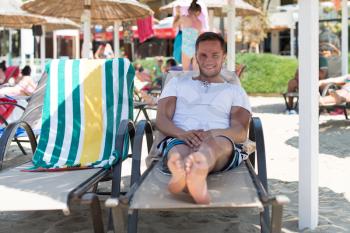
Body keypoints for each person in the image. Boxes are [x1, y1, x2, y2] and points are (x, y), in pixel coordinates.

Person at [156, 32, 251, 204]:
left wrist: (211, 133)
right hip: (180, 137)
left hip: (219, 140)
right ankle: (181, 169)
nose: (208, 60)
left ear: (224, 57)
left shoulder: (235, 91)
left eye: (215, 55)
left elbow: (240, 131)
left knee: (214, 146)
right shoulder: (177, 83)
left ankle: (197, 166)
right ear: (196, 57)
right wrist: (182, 134)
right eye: (203, 55)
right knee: (178, 149)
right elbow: (162, 118)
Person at [173, 0, 202, 71]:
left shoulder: (184, 18)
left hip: (186, 47)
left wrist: (177, 14)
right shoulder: (199, 22)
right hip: (196, 48)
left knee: (185, 72)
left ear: (189, 10)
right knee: (196, 73)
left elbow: (174, 26)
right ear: (198, 12)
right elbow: (199, 37)